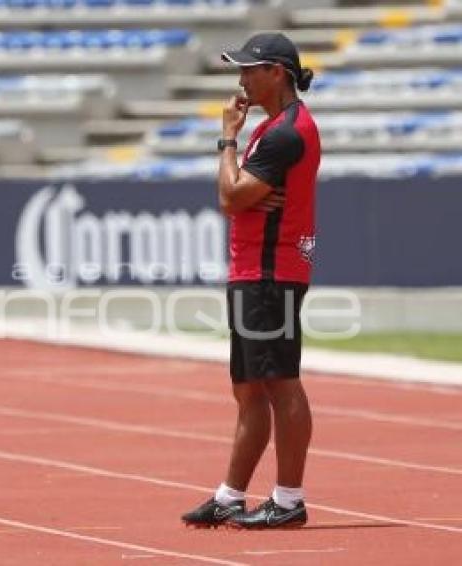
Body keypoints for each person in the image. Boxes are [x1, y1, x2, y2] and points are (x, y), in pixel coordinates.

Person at [181, 32, 320, 529]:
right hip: (253, 269)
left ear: (276, 73)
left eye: (249, 70)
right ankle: (231, 495)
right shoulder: (274, 128)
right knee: (248, 387)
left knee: (280, 383)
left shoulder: (284, 132)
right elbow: (240, 195)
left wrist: (227, 140)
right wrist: (242, 184)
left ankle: (288, 500)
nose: (241, 80)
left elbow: (231, 197)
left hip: (271, 271)